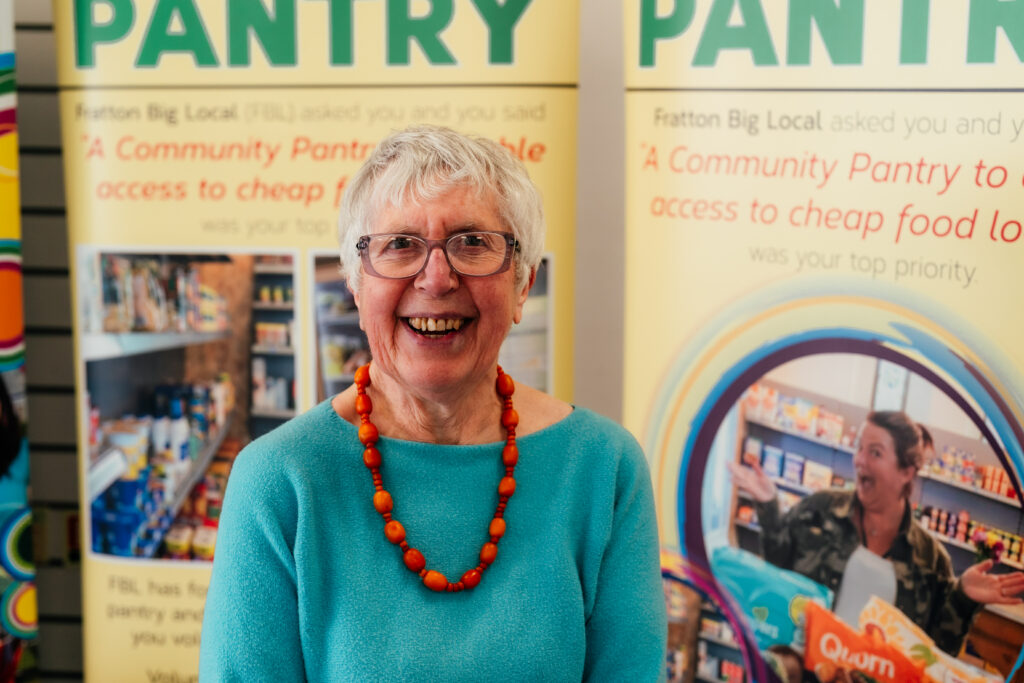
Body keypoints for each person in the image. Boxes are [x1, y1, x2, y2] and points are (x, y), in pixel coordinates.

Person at [199, 125, 667, 680]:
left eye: (472, 242)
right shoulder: (280, 480)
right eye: (400, 244)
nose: (437, 278)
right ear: (356, 284)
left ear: (523, 284)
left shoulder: (604, 469)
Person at [729, 409, 1024, 655]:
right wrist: (769, 507)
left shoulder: (931, 560)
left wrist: (963, 598)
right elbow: (778, 569)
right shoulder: (820, 510)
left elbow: (937, 652)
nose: (859, 460)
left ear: (906, 472)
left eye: (875, 453)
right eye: (860, 448)